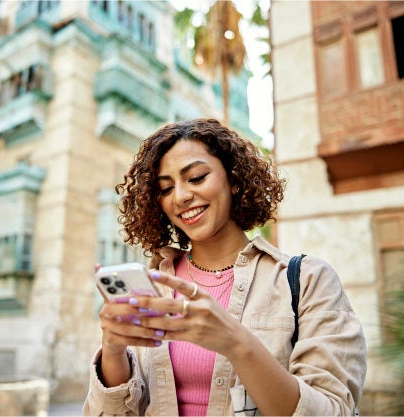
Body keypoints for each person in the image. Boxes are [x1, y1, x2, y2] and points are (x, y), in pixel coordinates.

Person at [83, 118, 366, 416]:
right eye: (165, 189)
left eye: (196, 178)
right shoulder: (154, 287)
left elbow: (334, 410)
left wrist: (235, 342)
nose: (180, 196)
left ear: (233, 179)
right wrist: (113, 352)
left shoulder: (307, 280)